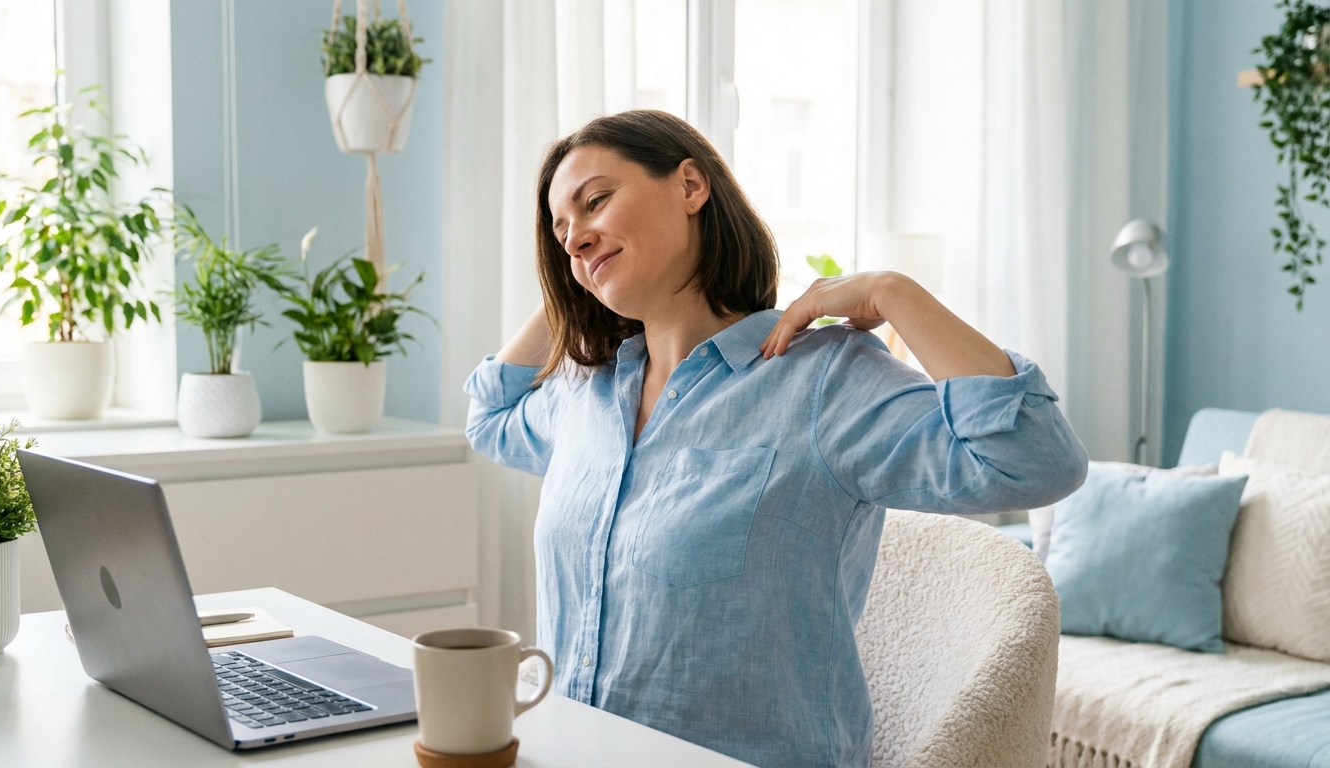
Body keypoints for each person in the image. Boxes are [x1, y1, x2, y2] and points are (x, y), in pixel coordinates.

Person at [464, 110, 1087, 767]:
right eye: (561, 233)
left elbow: (1035, 459)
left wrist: (892, 290)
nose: (575, 240)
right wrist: (574, 278)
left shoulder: (820, 383)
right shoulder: (583, 394)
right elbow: (487, 414)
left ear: (690, 186)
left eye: (595, 201)